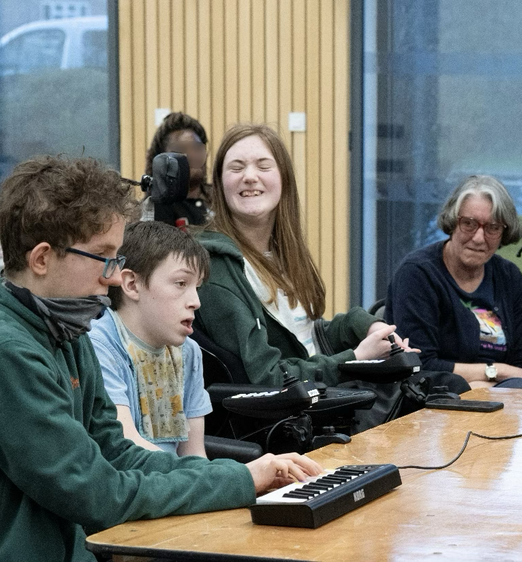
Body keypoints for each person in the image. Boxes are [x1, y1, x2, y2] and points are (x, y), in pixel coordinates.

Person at [0, 155, 322, 561]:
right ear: (42, 259)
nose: (112, 277)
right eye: (103, 256)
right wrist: (237, 483)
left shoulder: (66, 332)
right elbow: (97, 493)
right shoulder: (11, 352)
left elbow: (117, 451)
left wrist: (240, 474)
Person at [194, 123, 469, 398]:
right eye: (236, 168)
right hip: (299, 410)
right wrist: (355, 358)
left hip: (320, 395)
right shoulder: (216, 266)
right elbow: (266, 378)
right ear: (219, 184)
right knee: (443, 391)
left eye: (263, 166)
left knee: (448, 386)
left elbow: (307, 334)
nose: (250, 176)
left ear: (284, 178)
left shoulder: (280, 253)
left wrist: (366, 325)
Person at [384, 175, 522, 390]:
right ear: (452, 222)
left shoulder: (509, 277)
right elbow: (419, 364)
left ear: (504, 233)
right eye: (468, 224)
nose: (478, 238)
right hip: (432, 397)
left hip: (506, 395)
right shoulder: (418, 273)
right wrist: (494, 372)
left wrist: (483, 386)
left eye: (492, 228)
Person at [90, 221, 212, 456]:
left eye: (196, 287)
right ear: (132, 284)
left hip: (175, 477)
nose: (195, 302)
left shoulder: (189, 352)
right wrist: (239, 474)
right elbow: (127, 447)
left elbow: (195, 455)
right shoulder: (99, 346)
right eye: (181, 283)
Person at [146, 111, 213, 228]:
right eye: (181, 149)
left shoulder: (223, 199)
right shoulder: (155, 207)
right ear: (161, 160)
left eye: (197, 148)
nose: (192, 155)